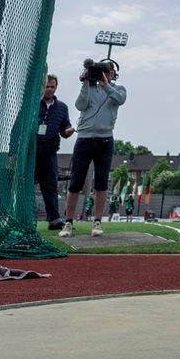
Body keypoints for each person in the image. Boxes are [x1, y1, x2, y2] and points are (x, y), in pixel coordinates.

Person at [61, 58, 126, 238]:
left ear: (113, 73)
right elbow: (80, 105)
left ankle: (97, 221)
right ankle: (68, 222)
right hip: (84, 138)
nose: (105, 73)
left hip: (105, 140)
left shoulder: (118, 89)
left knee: (101, 182)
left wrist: (105, 85)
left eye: (108, 70)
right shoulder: (89, 87)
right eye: (102, 70)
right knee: (75, 182)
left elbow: (120, 100)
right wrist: (86, 83)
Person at [35, 74, 74, 229]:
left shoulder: (62, 108)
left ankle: (54, 219)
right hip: (31, 152)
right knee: (25, 186)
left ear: (56, 87)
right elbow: (19, 123)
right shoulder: (32, 104)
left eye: (52, 87)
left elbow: (65, 129)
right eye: (47, 86)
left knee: (50, 185)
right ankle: (22, 217)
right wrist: (13, 149)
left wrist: (68, 131)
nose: (49, 89)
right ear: (42, 87)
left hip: (49, 152)